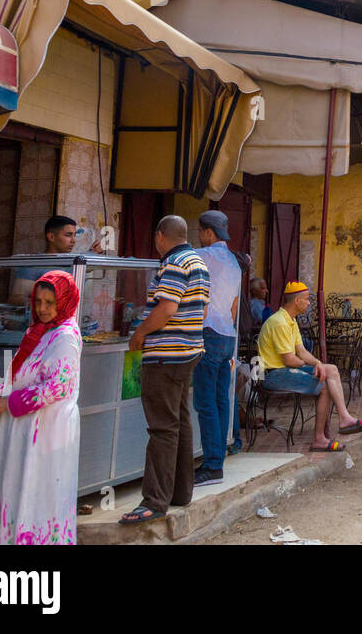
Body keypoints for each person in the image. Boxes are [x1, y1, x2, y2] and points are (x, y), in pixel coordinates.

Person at [0, 272, 82, 544]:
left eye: (49, 302)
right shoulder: (39, 330)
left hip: (47, 430)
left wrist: (8, 403)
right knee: (17, 485)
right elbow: (25, 371)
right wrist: (1, 390)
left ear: (64, 302)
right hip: (26, 425)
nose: (42, 309)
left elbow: (58, 387)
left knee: (38, 490)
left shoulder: (65, 337)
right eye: (38, 301)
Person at [119, 216, 209, 526]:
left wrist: (140, 333)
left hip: (166, 356)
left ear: (160, 236)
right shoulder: (198, 261)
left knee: (162, 428)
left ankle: (154, 501)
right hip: (189, 352)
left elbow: (167, 308)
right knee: (179, 422)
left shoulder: (173, 263)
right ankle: (181, 492)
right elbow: (203, 310)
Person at [257, 281, 362, 448]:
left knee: (330, 369)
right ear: (296, 301)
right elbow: (289, 360)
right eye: (306, 299)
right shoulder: (279, 322)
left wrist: (317, 363)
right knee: (324, 384)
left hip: (285, 369)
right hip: (273, 374)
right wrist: (311, 367)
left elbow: (301, 351)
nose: (309, 302)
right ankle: (319, 438)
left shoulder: (290, 320)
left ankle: (344, 418)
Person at [192, 211, 240, 488]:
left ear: (208, 232)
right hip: (227, 335)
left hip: (208, 333)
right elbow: (233, 306)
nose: (199, 236)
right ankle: (217, 458)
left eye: (200, 231)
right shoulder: (234, 260)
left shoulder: (201, 255)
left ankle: (211, 465)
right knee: (221, 401)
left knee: (205, 402)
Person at [7, 215, 83, 304]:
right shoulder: (35, 264)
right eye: (68, 235)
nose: (73, 241)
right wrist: (46, 303)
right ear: (51, 237)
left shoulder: (74, 262)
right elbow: (15, 298)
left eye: (74, 235)